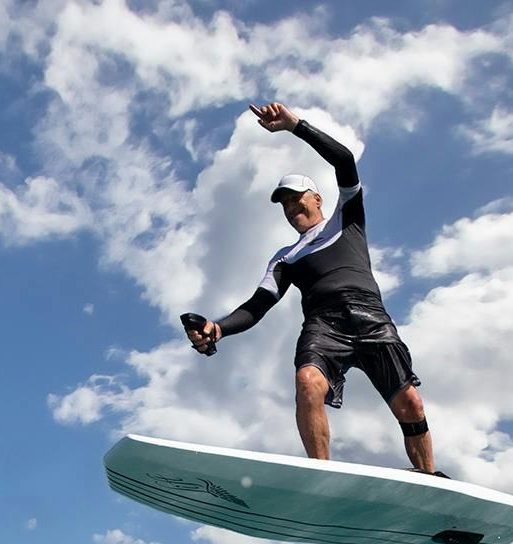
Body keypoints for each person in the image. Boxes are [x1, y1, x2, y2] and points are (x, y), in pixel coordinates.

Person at [184, 102, 443, 476]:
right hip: (323, 324)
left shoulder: (346, 219)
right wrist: (218, 328)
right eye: (285, 204)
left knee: (410, 404)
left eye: (297, 198)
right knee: (307, 382)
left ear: (317, 198)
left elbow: (345, 161)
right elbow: (257, 305)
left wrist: (295, 126)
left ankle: (429, 479)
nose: (291, 208)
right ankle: (322, 475)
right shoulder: (285, 257)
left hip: (369, 314)